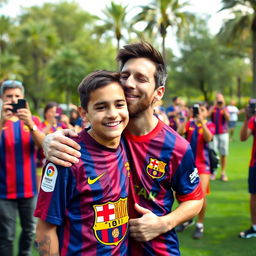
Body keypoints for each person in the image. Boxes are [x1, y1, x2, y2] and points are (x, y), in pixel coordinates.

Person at [41, 42, 203, 255]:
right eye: (125, 75)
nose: (129, 83)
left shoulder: (176, 146)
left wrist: (164, 223)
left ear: (159, 92)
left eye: (141, 78)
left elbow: (194, 198)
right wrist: (48, 140)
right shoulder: (105, 133)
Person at [34, 70, 130, 255]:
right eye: (101, 107)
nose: (113, 114)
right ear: (84, 113)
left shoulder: (127, 143)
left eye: (119, 104)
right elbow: (45, 230)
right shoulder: (66, 155)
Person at [0, 80, 44, 256]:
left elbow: (44, 147)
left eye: (17, 96)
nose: (13, 99)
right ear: (2, 98)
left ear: (23, 98)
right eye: (9, 96)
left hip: (29, 190)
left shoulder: (33, 120)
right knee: (7, 236)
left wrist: (31, 125)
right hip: (3, 191)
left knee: (29, 232)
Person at [177, 103, 215, 239]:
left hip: (203, 165)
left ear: (206, 113)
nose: (198, 112)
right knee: (185, 193)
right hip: (188, 164)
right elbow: (179, 132)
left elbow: (208, 138)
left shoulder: (209, 124)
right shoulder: (190, 124)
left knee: (201, 196)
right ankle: (187, 219)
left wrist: (201, 123)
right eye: (197, 110)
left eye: (202, 110)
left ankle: (200, 224)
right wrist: (188, 119)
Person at [239, 100, 256, 239]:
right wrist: (246, 119)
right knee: (254, 195)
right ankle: (255, 227)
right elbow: (243, 138)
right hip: (255, 164)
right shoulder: (253, 120)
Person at [208, 93, 230, 181]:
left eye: (220, 99)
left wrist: (223, 108)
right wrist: (214, 105)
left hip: (223, 132)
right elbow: (208, 115)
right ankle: (213, 171)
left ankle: (223, 172)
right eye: (217, 99)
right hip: (213, 133)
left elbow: (228, 119)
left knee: (224, 153)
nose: (219, 101)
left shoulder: (225, 108)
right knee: (213, 153)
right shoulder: (213, 108)